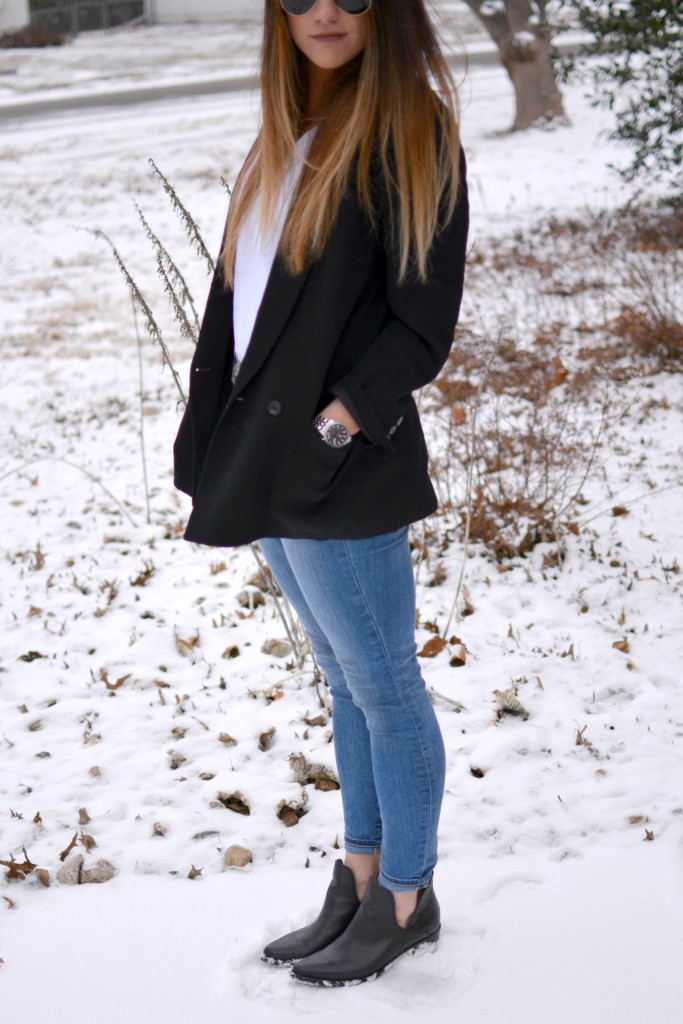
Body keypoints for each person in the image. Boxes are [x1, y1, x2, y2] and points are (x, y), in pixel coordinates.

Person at [173, 0, 469, 987]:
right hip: (261, 461)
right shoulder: (284, 142)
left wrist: (337, 423)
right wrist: (206, 437)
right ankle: (358, 874)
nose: (325, 12)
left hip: (342, 466)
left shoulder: (407, 128)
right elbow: (237, 312)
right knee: (347, 685)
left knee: (385, 689)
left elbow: (421, 320)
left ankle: (406, 897)